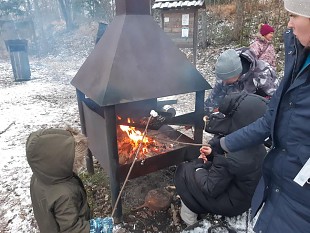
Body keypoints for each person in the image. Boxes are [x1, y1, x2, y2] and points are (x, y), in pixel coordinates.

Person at [209, 1, 310, 232]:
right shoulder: (298, 62)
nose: (288, 22)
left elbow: (270, 110)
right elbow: (273, 118)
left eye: (294, 14)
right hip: (277, 186)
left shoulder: (262, 74)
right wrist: (222, 143)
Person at [175, 92, 268, 226]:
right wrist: (213, 154)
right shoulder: (255, 144)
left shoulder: (231, 156)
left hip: (232, 204)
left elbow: (210, 188)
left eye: (229, 117)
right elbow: (230, 168)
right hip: (243, 196)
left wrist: (199, 166)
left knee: (184, 172)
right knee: (196, 169)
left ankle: (189, 219)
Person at [26, 128, 113, 233]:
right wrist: (95, 228)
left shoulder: (40, 176)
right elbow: (72, 229)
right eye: (75, 161)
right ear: (60, 162)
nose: (80, 164)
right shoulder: (65, 195)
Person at [204, 48, 278, 116]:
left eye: (226, 79)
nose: (223, 82)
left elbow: (274, 102)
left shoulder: (262, 73)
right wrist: (206, 112)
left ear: (237, 73)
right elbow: (212, 101)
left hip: (256, 117)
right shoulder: (224, 76)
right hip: (234, 118)